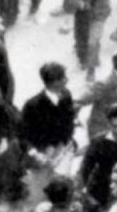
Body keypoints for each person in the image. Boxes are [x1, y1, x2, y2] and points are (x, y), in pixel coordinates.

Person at [21, 62, 76, 203]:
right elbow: (23, 135)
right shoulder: (32, 106)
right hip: (42, 155)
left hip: (63, 150)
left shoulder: (66, 95)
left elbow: (69, 120)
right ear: (53, 82)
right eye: (63, 78)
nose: (66, 80)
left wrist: (68, 142)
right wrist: (36, 153)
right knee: (41, 193)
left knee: (61, 187)